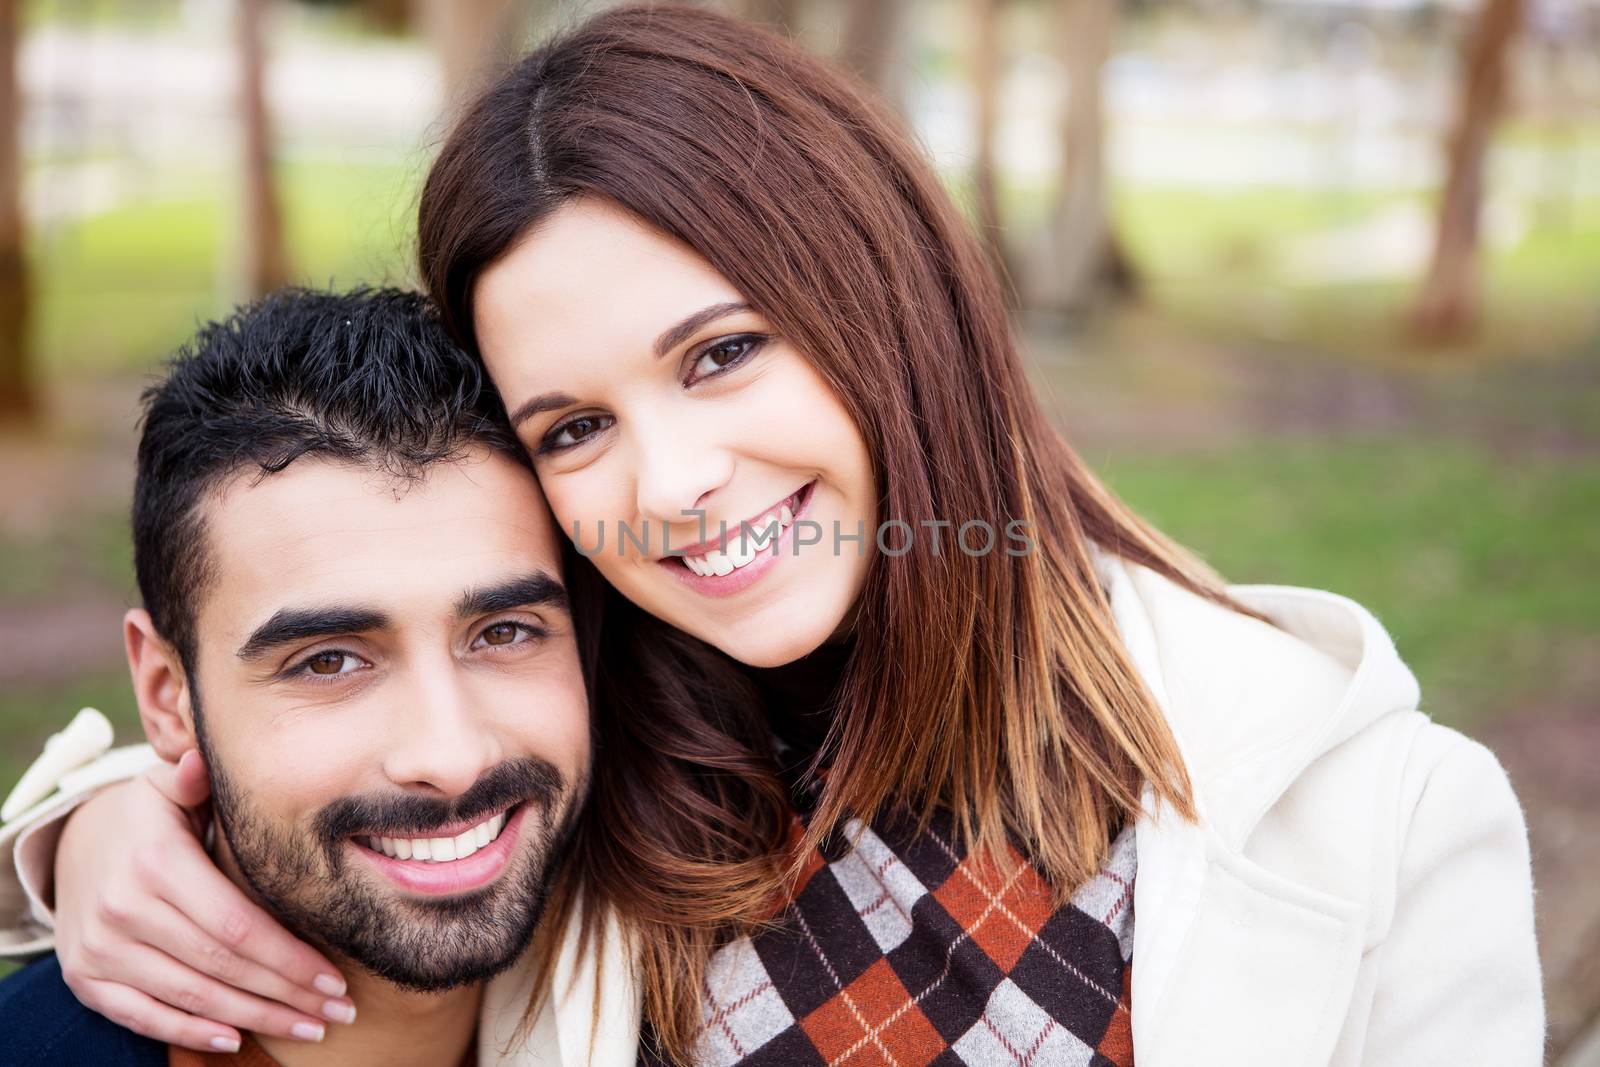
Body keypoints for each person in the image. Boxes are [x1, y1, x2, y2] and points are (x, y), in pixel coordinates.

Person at [0, 6, 1543, 1065]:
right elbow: (342, 722)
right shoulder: (596, 750)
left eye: (723, 352)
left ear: (892, 303)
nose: (672, 483)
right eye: (574, 426)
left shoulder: (1372, 812)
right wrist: (102, 815)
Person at [0, 289, 614, 1066]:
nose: (452, 754)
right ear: (166, 692)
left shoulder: (706, 985)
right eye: (328, 660)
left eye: (504, 632)